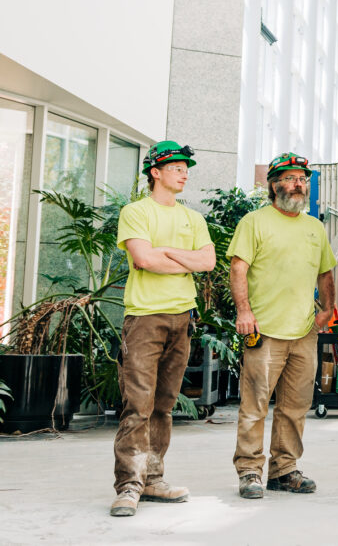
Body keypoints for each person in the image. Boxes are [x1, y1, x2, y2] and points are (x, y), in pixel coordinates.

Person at [111, 141, 216, 517]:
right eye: (176, 167)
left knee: (164, 406)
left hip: (181, 318)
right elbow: (142, 258)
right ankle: (128, 486)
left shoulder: (194, 219)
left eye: (186, 167)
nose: (184, 172)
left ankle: (153, 479)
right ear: (155, 171)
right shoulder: (136, 212)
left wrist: (167, 254)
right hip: (144, 318)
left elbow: (207, 261)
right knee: (137, 405)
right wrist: (181, 259)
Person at [229, 151, 336, 499]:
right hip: (264, 330)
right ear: (274, 185)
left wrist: (328, 309)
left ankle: (284, 469)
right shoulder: (254, 222)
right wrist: (244, 311)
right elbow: (238, 269)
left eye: (303, 179)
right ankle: (249, 471)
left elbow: (325, 271)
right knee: (255, 405)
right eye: (290, 178)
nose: (298, 184)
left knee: (295, 406)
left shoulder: (314, 227)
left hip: (304, 331)